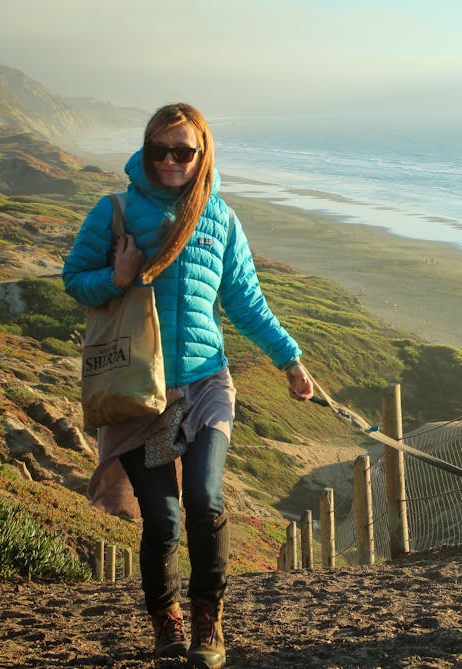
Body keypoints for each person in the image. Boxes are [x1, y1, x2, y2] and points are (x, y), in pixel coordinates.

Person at [63, 102, 313, 669]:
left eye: (184, 151)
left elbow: (246, 301)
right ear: (146, 151)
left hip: (205, 386)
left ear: (203, 154)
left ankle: (208, 621)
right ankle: (164, 620)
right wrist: (117, 277)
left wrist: (290, 362)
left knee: (204, 500)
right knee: (164, 520)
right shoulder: (115, 211)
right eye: (160, 150)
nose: (171, 161)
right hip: (140, 395)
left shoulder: (220, 217)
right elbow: (74, 280)